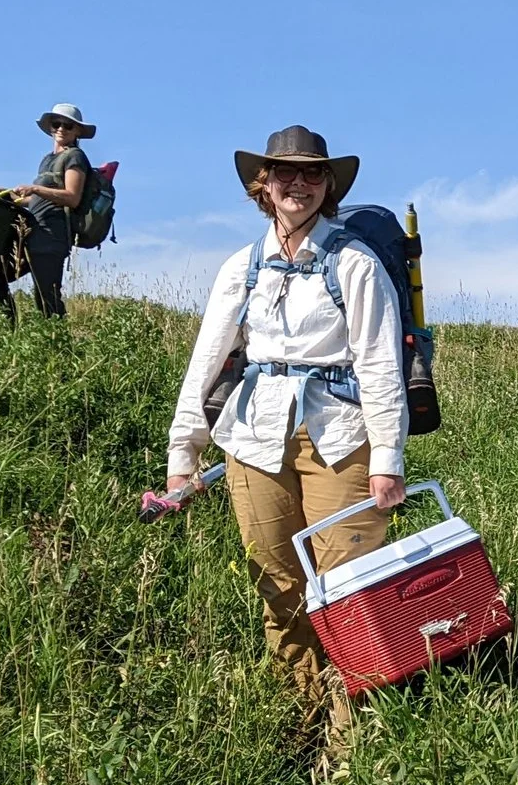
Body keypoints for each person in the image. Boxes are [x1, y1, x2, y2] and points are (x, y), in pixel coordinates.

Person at [166, 126, 408, 752]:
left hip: (341, 437)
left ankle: (352, 751)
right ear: (263, 186)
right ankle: (302, 727)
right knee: (278, 587)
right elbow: (208, 359)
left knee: (349, 593)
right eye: (283, 173)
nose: (296, 184)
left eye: (311, 174)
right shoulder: (239, 269)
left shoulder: (355, 263)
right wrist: (182, 454)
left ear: (328, 187)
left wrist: (388, 459)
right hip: (252, 440)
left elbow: (380, 364)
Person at [0, 103, 95, 321]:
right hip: (31, 232)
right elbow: (33, 200)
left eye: (68, 125)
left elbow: (72, 197)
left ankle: (58, 345)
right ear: (51, 128)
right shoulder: (47, 160)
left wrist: (35, 188)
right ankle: (8, 328)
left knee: (46, 296)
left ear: (77, 131)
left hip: (52, 237)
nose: (62, 129)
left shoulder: (75, 157)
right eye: (57, 124)